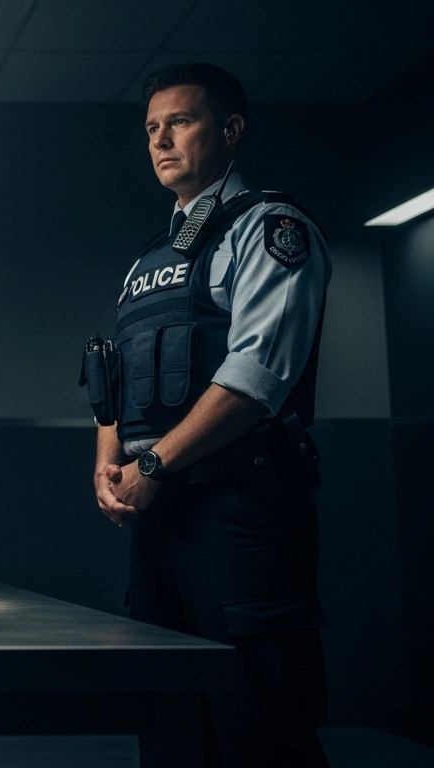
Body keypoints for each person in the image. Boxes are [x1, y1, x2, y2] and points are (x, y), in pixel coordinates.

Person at [85, 63, 332, 767]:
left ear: (230, 130)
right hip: (156, 513)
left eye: (181, 122)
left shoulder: (270, 228)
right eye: (152, 129)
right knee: (168, 720)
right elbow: (117, 374)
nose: (161, 140)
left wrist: (155, 463)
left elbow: (256, 377)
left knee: (257, 720)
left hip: (240, 510)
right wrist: (109, 465)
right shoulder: (149, 260)